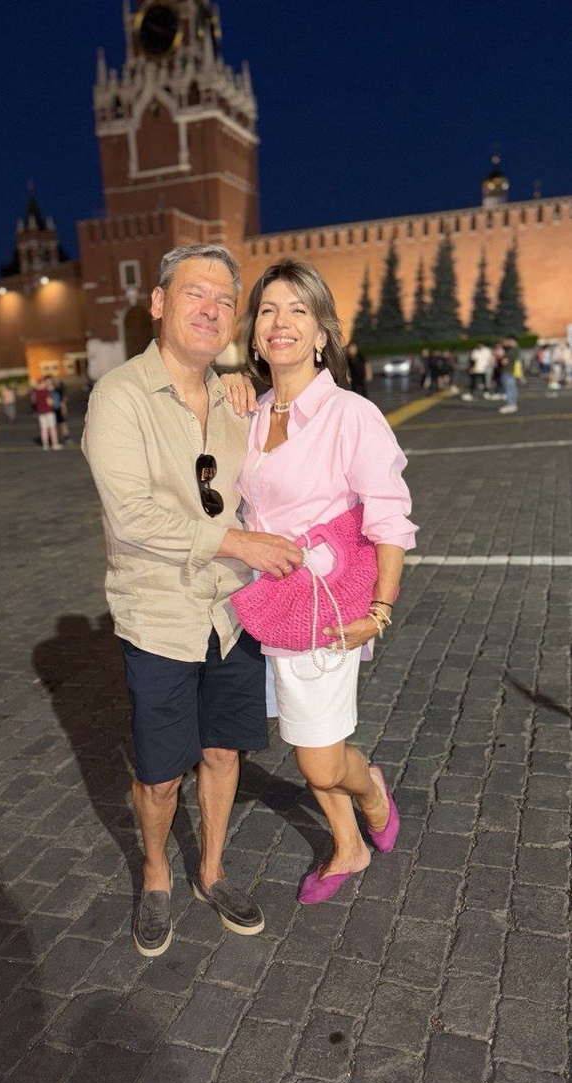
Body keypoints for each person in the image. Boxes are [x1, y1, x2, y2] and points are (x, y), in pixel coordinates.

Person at [82, 244, 302, 957]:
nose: (210, 309)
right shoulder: (119, 397)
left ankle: (211, 870)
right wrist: (238, 543)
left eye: (223, 300)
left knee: (223, 751)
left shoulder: (237, 400)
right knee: (158, 774)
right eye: (193, 293)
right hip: (160, 615)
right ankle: (155, 874)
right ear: (158, 303)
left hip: (231, 613)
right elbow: (133, 518)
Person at [235, 260, 417, 903]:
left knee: (316, 755)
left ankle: (372, 793)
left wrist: (380, 609)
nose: (280, 322)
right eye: (267, 310)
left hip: (330, 604)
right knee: (306, 736)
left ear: (322, 333)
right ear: (254, 333)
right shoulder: (249, 414)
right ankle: (348, 846)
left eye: (298, 310)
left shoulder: (349, 414)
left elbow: (389, 517)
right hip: (270, 603)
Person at [33, 377, 61, 450]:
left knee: (43, 429)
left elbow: (34, 402)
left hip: (41, 413)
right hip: (49, 412)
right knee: (52, 428)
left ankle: (45, 444)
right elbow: (50, 402)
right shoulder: (46, 392)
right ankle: (55, 443)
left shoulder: (36, 393)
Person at [498, 336, 522, 414]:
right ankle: (512, 404)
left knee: (510, 389)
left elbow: (506, 361)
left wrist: (503, 359)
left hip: (509, 371)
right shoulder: (513, 350)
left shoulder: (514, 350)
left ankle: (511, 404)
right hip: (510, 371)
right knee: (511, 389)